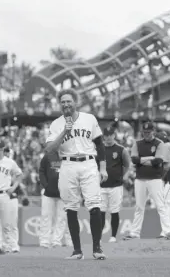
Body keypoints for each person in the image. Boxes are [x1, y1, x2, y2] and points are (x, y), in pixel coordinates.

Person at [44, 88, 108, 260]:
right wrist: (65, 130)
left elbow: (100, 144)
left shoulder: (89, 118)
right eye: (63, 101)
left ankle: (97, 248)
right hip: (68, 164)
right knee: (71, 207)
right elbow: (49, 149)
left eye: (68, 101)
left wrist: (102, 168)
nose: (65, 104)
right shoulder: (56, 124)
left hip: (88, 163)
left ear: (75, 102)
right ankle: (77, 251)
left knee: (94, 204)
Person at [123, 122, 170, 240]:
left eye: (148, 132)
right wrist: (150, 158)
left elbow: (158, 160)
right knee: (139, 207)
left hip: (155, 179)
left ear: (153, 132)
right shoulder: (137, 143)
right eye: (144, 132)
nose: (146, 134)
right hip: (140, 179)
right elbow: (134, 160)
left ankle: (168, 231)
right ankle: (135, 233)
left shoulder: (159, 143)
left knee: (160, 206)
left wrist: (143, 160)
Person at [0, 140, 23, 254]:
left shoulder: (10, 162)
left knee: (6, 223)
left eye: (1, 149)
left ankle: (8, 245)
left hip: (4, 194)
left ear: (3, 150)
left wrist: (14, 187)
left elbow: (19, 174)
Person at [100, 126, 131, 243]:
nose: (108, 137)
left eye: (110, 135)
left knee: (114, 211)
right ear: (104, 136)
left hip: (116, 186)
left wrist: (121, 176)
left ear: (114, 135)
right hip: (101, 185)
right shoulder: (99, 149)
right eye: (106, 135)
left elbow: (127, 165)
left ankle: (113, 236)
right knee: (101, 211)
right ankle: (99, 237)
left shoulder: (121, 149)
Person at [38, 149, 72, 248]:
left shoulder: (70, 155)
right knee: (46, 217)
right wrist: (46, 185)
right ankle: (44, 241)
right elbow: (41, 171)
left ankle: (56, 241)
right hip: (48, 192)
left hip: (64, 193)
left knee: (62, 218)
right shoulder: (48, 156)